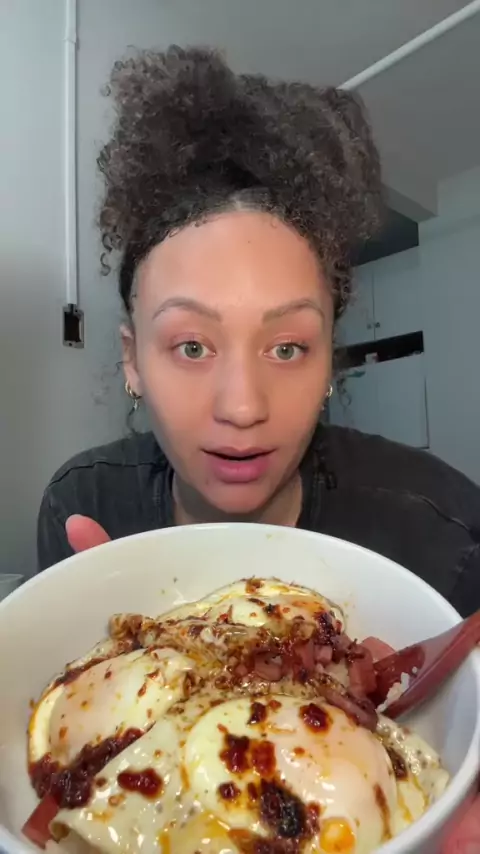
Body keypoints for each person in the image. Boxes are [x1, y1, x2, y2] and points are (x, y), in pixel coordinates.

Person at [37, 47, 480, 850]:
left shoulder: (445, 533)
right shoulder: (84, 504)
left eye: (287, 347)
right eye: (191, 346)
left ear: (331, 360)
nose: (242, 407)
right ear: (132, 360)